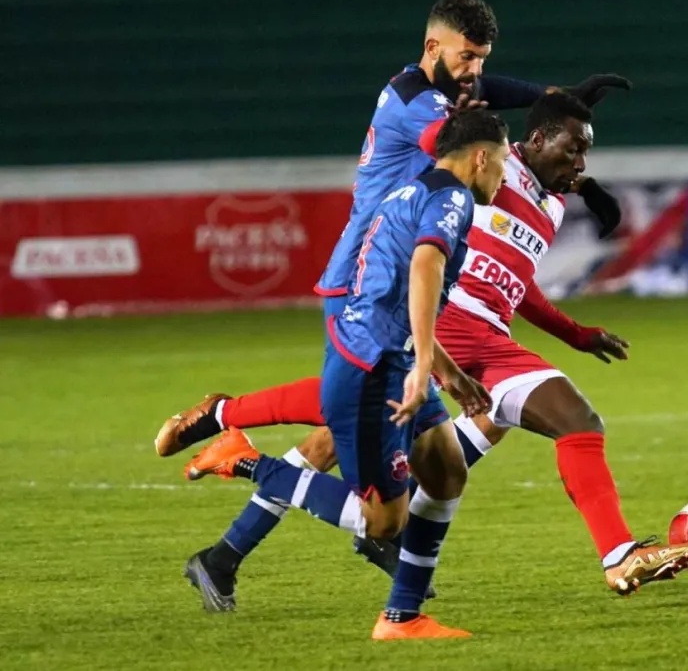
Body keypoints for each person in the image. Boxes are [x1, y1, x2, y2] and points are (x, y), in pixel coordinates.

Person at [169, 94, 688, 600]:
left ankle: (225, 554)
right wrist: (542, 100)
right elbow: (447, 145)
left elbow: (519, 282)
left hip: (489, 337)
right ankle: (228, 418)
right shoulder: (493, 163)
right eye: (574, 149)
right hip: (440, 320)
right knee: (356, 420)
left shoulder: (552, 205)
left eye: (587, 152)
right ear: (533, 141)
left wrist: (575, 333)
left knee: (372, 439)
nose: (581, 164)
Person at [185, 111, 509, 640]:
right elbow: (424, 266)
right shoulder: (453, 198)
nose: (503, 174)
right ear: (479, 157)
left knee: (447, 472)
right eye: (502, 161)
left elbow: (397, 290)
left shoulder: (413, 189)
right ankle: (246, 461)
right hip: (374, 370)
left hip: (386, 358)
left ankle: (403, 616)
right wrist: (424, 365)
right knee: (382, 522)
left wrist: (445, 371)